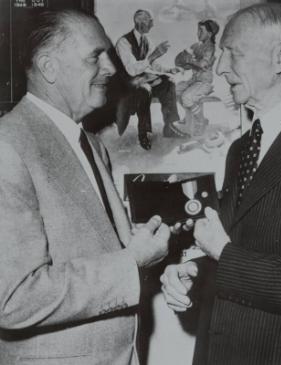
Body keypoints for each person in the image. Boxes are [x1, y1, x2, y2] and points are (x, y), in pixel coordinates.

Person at [0, 9, 171, 365]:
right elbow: (13, 299)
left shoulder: (91, 145)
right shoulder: (8, 146)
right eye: (96, 56)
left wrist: (159, 268)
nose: (112, 68)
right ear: (49, 67)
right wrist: (132, 262)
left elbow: (98, 251)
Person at [161, 4, 281, 364]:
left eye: (232, 52)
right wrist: (194, 274)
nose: (220, 68)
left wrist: (223, 253)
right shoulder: (242, 148)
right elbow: (242, 251)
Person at [114, 9, 188, 150]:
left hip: (142, 81)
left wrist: (168, 70)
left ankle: (169, 126)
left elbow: (153, 64)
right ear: (139, 22)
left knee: (168, 81)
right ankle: (144, 132)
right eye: (150, 21)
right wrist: (153, 55)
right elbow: (132, 69)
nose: (152, 25)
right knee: (145, 89)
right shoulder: (123, 43)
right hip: (127, 86)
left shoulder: (146, 40)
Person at [175, 19, 219, 136]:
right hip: (194, 80)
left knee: (186, 97)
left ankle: (201, 120)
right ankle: (189, 114)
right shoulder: (195, 46)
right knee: (175, 90)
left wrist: (189, 60)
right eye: (197, 30)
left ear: (210, 34)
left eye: (201, 30)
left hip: (204, 82)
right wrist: (185, 59)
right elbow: (178, 61)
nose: (198, 33)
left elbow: (203, 65)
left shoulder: (210, 48)